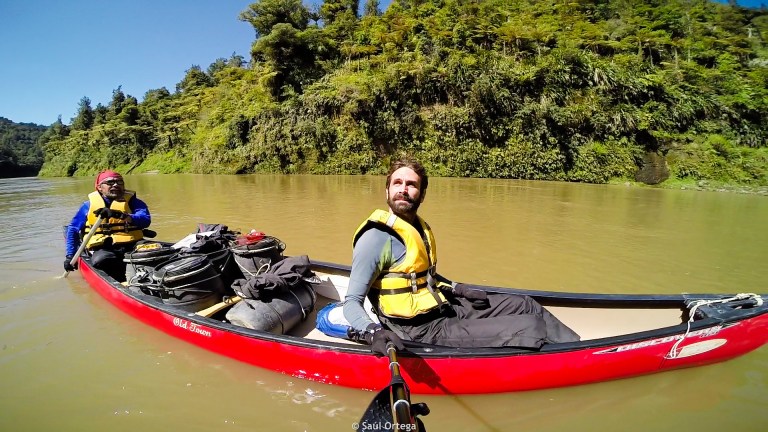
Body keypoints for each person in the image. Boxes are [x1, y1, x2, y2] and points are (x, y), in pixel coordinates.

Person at [343, 157, 580, 355]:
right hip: (420, 330)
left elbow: (424, 277)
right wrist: (373, 332)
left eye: (411, 184)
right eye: (397, 183)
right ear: (387, 191)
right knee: (529, 326)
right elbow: (351, 302)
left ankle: (579, 349)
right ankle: (572, 360)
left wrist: (457, 288)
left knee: (525, 304)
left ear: (422, 194)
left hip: (444, 308)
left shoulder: (419, 229)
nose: (403, 189)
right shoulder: (375, 238)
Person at [63, 170, 151, 281]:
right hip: (104, 247)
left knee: (156, 251)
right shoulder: (88, 205)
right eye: (110, 183)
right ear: (100, 187)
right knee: (101, 260)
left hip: (133, 243)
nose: (116, 185)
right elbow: (73, 229)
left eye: (120, 182)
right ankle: (123, 281)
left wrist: (119, 215)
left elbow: (145, 220)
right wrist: (70, 256)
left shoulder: (134, 202)